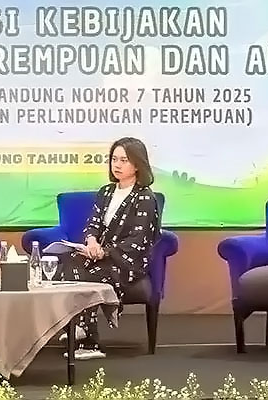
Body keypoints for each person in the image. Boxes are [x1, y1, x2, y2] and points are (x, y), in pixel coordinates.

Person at [58, 137, 161, 360]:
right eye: (114, 159)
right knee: (68, 264)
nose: (117, 165)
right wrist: (92, 242)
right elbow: (93, 223)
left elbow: (138, 239)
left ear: (137, 164)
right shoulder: (106, 192)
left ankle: (87, 337)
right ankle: (82, 331)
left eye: (124, 160)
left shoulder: (145, 197)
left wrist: (105, 252)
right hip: (99, 254)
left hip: (127, 260)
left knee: (89, 274)